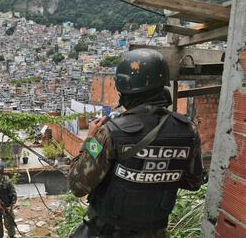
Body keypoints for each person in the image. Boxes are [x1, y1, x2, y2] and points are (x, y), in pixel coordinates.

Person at [69, 48, 203, 238]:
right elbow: (194, 182)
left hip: (108, 231)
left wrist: (90, 139)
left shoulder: (108, 133)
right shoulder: (188, 130)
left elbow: (77, 185)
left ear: (124, 89)